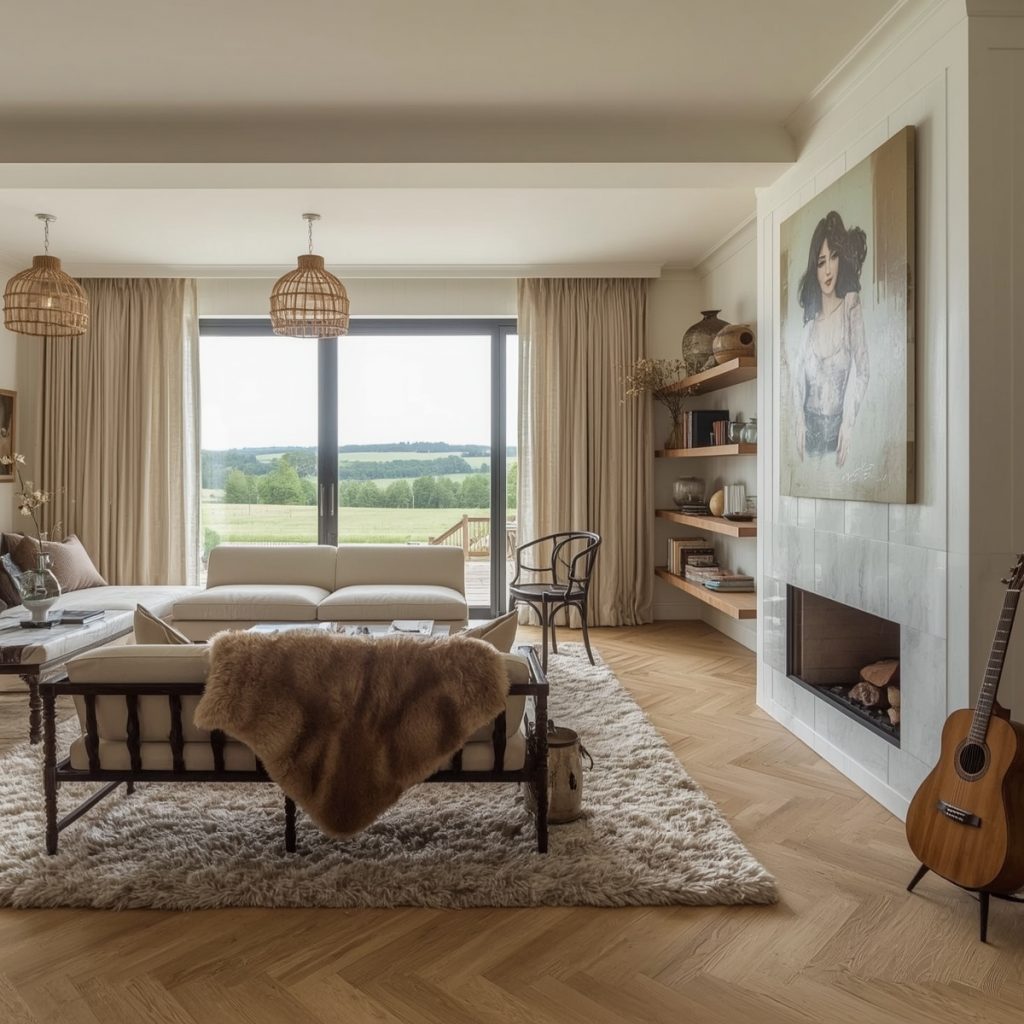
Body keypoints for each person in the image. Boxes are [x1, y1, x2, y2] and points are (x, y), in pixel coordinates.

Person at [793, 210, 869, 467]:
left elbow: (863, 372)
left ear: (841, 261)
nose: (827, 269)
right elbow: (796, 380)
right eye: (821, 261)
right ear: (814, 268)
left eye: (833, 258)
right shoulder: (809, 326)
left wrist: (848, 425)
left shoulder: (850, 307)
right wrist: (799, 421)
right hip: (809, 435)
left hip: (839, 432)